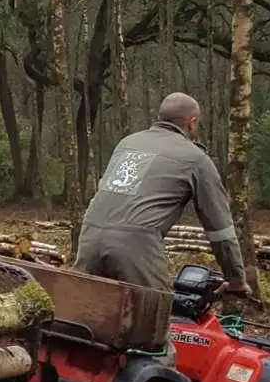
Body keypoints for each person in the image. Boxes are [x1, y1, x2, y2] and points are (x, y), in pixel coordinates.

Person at [75, 93, 252, 295]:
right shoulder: (196, 158)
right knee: (152, 316)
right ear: (192, 123)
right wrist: (235, 279)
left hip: (89, 236)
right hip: (136, 244)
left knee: (87, 312)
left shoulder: (128, 142)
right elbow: (220, 229)